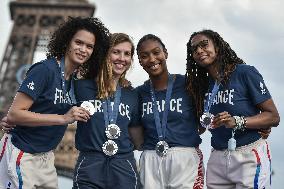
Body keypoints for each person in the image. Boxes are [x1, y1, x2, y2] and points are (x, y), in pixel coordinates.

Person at [0, 16, 110, 189]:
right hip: (23, 151)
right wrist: (63, 118)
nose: (83, 49)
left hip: (46, 157)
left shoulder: (75, 81)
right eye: (78, 42)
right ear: (67, 42)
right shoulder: (45, 70)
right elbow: (14, 114)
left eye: (89, 46)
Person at [186, 29, 280, 189]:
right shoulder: (200, 85)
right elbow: (200, 126)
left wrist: (238, 121)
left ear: (217, 45)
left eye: (204, 45)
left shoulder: (244, 72)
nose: (200, 50)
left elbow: (273, 117)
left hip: (248, 152)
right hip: (217, 156)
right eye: (194, 49)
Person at [136, 34, 204, 189]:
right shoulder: (139, 93)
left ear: (165, 53)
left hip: (184, 156)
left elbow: (205, 118)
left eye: (156, 52)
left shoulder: (189, 84)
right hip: (150, 158)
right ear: (140, 61)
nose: (152, 59)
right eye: (144, 56)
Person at [73, 33, 141, 189]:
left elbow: (138, 138)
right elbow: (57, 105)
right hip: (90, 164)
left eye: (127, 54)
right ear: (105, 53)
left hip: (123, 166)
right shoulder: (81, 86)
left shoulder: (132, 94)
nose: (121, 58)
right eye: (116, 52)